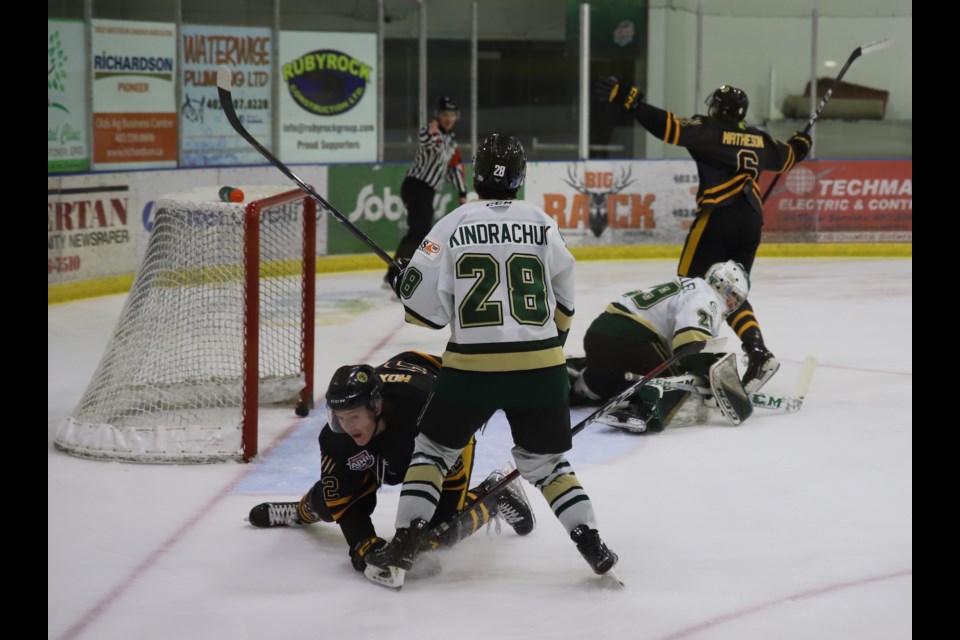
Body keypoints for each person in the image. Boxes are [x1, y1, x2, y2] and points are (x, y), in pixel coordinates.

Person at [366, 133, 618, 589]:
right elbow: (564, 303)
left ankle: (402, 547)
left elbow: (424, 314)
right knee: (549, 465)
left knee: (434, 452)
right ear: (520, 178)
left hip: (472, 370)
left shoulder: (450, 224)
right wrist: (546, 350)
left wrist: (408, 282)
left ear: (477, 175)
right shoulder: (544, 223)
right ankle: (592, 544)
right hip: (542, 369)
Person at [594, 77, 812, 393]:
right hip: (751, 221)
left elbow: (669, 127)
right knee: (731, 291)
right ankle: (758, 351)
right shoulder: (758, 138)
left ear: (718, 109)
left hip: (717, 218)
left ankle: (683, 354)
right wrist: (801, 143)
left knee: (689, 283)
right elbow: (788, 157)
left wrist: (633, 103)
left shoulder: (710, 129)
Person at [248, 350, 535, 575]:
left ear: (376, 406)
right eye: (340, 417)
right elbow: (349, 507)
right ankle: (300, 512)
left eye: (355, 416)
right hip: (403, 413)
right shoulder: (338, 437)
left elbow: (459, 432)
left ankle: (493, 497)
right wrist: (365, 548)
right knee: (330, 501)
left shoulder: (429, 415)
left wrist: (417, 538)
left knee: (439, 533)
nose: (347, 426)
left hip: (443, 420)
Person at [567, 260, 752, 433]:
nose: (733, 304)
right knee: (682, 385)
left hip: (599, 334)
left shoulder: (691, 286)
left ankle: (578, 381)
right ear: (722, 286)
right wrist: (710, 376)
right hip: (631, 339)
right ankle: (641, 410)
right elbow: (690, 348)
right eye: (734, 296)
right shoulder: (706, 299)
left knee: (600, 388)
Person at [383, 96, 468, 289]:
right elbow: (426, 142)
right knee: (419, 231)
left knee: (420, 231)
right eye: (445, 114)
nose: (449, 118)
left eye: (452, 115)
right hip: (416, 186)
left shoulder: (451, 140)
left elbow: (452, 168)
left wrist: (462, 192)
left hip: (427, 190)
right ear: (438, 115)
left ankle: (395, 272)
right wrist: (433, 133)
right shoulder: (430, 130)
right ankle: (395, 274)